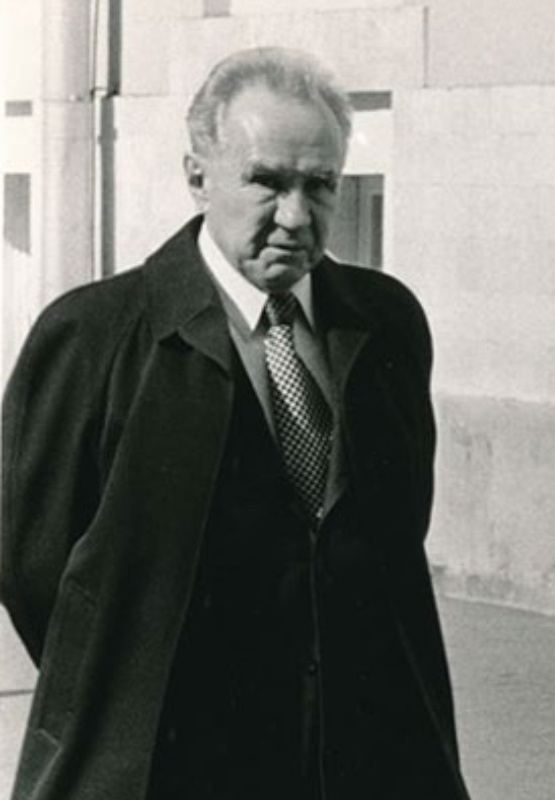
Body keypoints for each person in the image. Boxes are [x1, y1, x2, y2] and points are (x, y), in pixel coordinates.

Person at [1, 47, 469, 800]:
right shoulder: (94, 336)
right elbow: (36, 569)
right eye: (267, 182)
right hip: (171, 763)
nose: (296, 216)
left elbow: (393, 532)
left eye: (321, 185)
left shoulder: (385, 323)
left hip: (361, 757)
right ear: (198, 176)